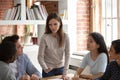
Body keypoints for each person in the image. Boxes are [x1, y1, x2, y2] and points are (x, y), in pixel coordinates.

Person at [38, 12, 70, 79]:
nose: (53, 27)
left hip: (61, 69)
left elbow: (67, 55)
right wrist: (45, 68)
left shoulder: (66, 37)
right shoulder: (44, 37)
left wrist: (65, 73)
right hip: (48, 70)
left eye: (55, 24)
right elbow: (40, 56)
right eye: (50, 25)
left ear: (60, 23)